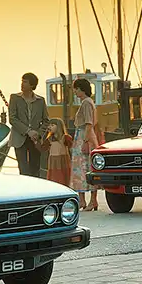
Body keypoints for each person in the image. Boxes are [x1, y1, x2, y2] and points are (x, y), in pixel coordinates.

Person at [7, 72, 48, 178]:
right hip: (19, 138)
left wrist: (38, 133)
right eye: (22, 81)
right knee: (23, 169)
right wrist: (28, 131)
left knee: (35, 169)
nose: (22, 84)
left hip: (35, 139)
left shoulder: (40, 101)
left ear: (32, 85)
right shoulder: (15, 98)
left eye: (25, 82)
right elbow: (12, 119)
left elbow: (46, 121)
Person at [70, 77, 100, 211]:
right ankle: (82, 200)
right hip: (82, 135)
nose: (75, 92)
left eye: (76, 89)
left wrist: (85, 142)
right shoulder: (87, 102)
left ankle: (92, 201)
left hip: (84, 136)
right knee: (81, 168)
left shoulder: (86, 103)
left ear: (81, 89)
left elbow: (88, 124)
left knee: (85, 168)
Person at [44, 119, 73, 186]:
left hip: (62, 161)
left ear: (59, 127)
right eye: (49, 125)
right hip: (53, 162)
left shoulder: (65, 137)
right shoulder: (50, 138)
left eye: (52, 125)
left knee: (63, 177)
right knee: (54, 177)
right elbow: (43, 147)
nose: (49, 127)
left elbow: (71, 147)